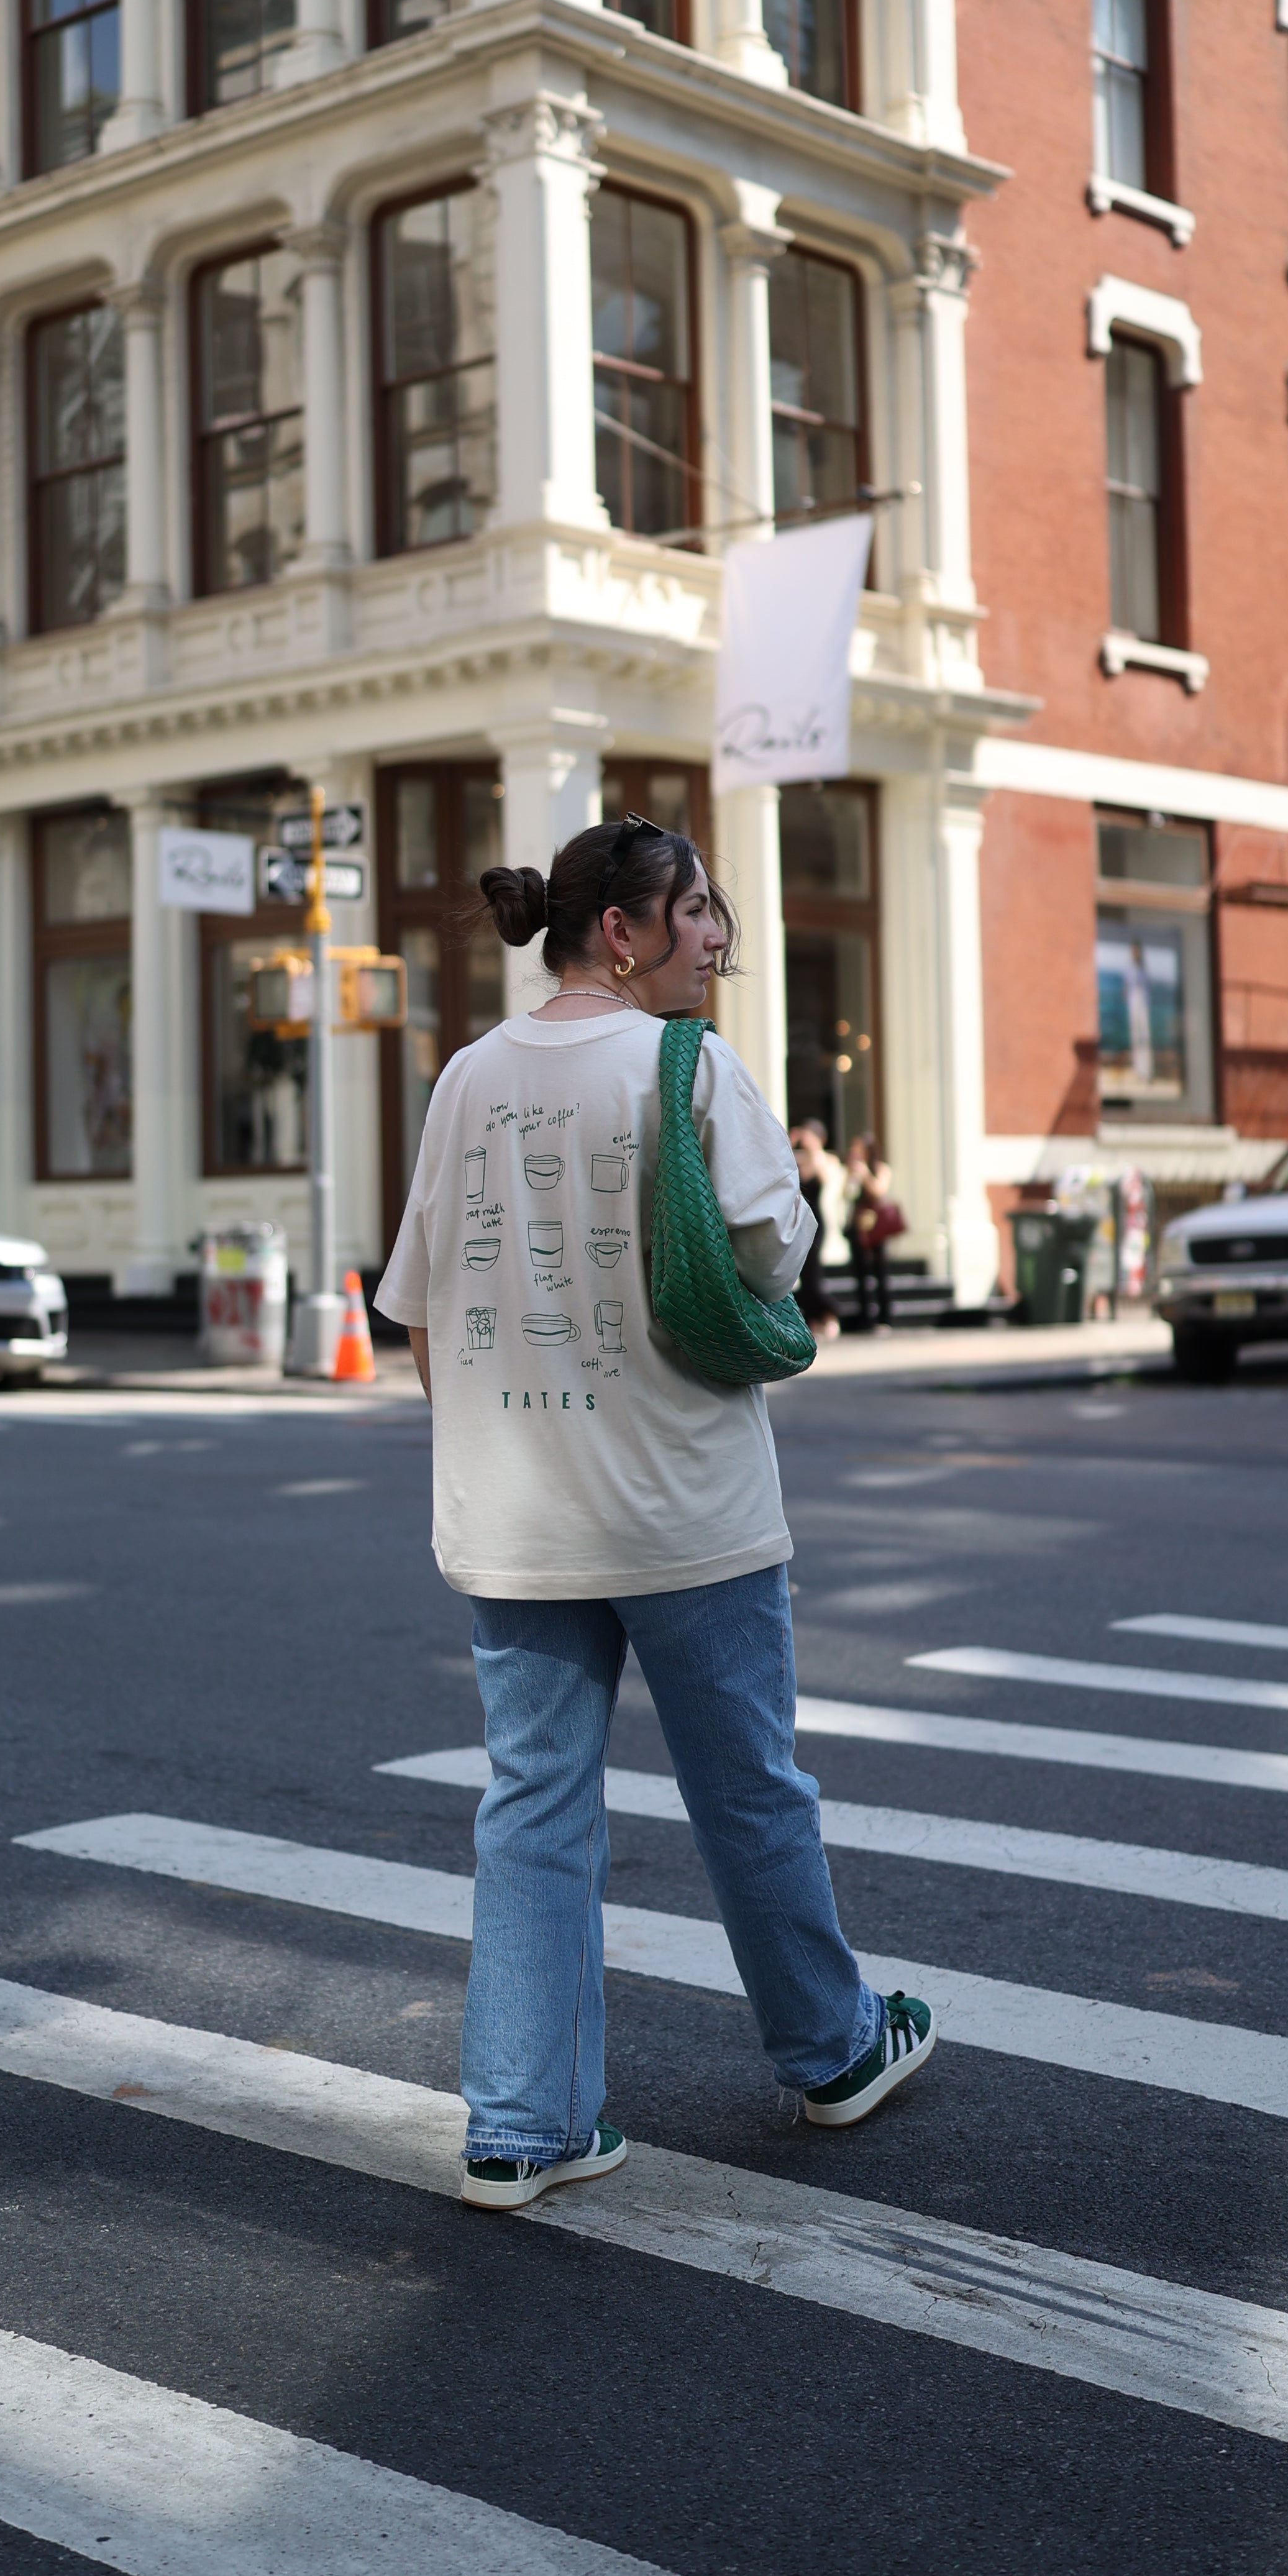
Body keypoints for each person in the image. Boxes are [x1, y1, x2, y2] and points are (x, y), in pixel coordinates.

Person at [375, 814, 936, 2209]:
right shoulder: (690, 1065)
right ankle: (832, 2048)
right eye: (696, 910)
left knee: (532, 1808)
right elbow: (774, 1250)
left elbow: (422, 1306)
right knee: (748, 1786)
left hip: (516, 1520)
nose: (719, 934)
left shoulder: (466, 1077)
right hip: (688, 1508)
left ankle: (523, 2117)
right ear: (619, 930)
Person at [789, 1121, 844, 1340]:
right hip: (800, 1219)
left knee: (813, 1273)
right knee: (803, 1272)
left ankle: (831, 1315)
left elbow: (824, 1174)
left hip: (817, 1220)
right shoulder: (799, 1159)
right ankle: (813, 1321)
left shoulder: (825, 1159)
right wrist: (791, 1142)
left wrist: (813, 1148)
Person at [844, 1135, 896, 1333]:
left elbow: (879, 1191)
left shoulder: (881, 1169)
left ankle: (885, 1317)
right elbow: (846, 1195)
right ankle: (865, 1316)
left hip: (876, 1227)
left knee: (880, 1272)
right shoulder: (853, 1171)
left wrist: (865, 1174)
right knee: (860, 1273)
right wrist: (851, 1177)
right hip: (858, 1227)